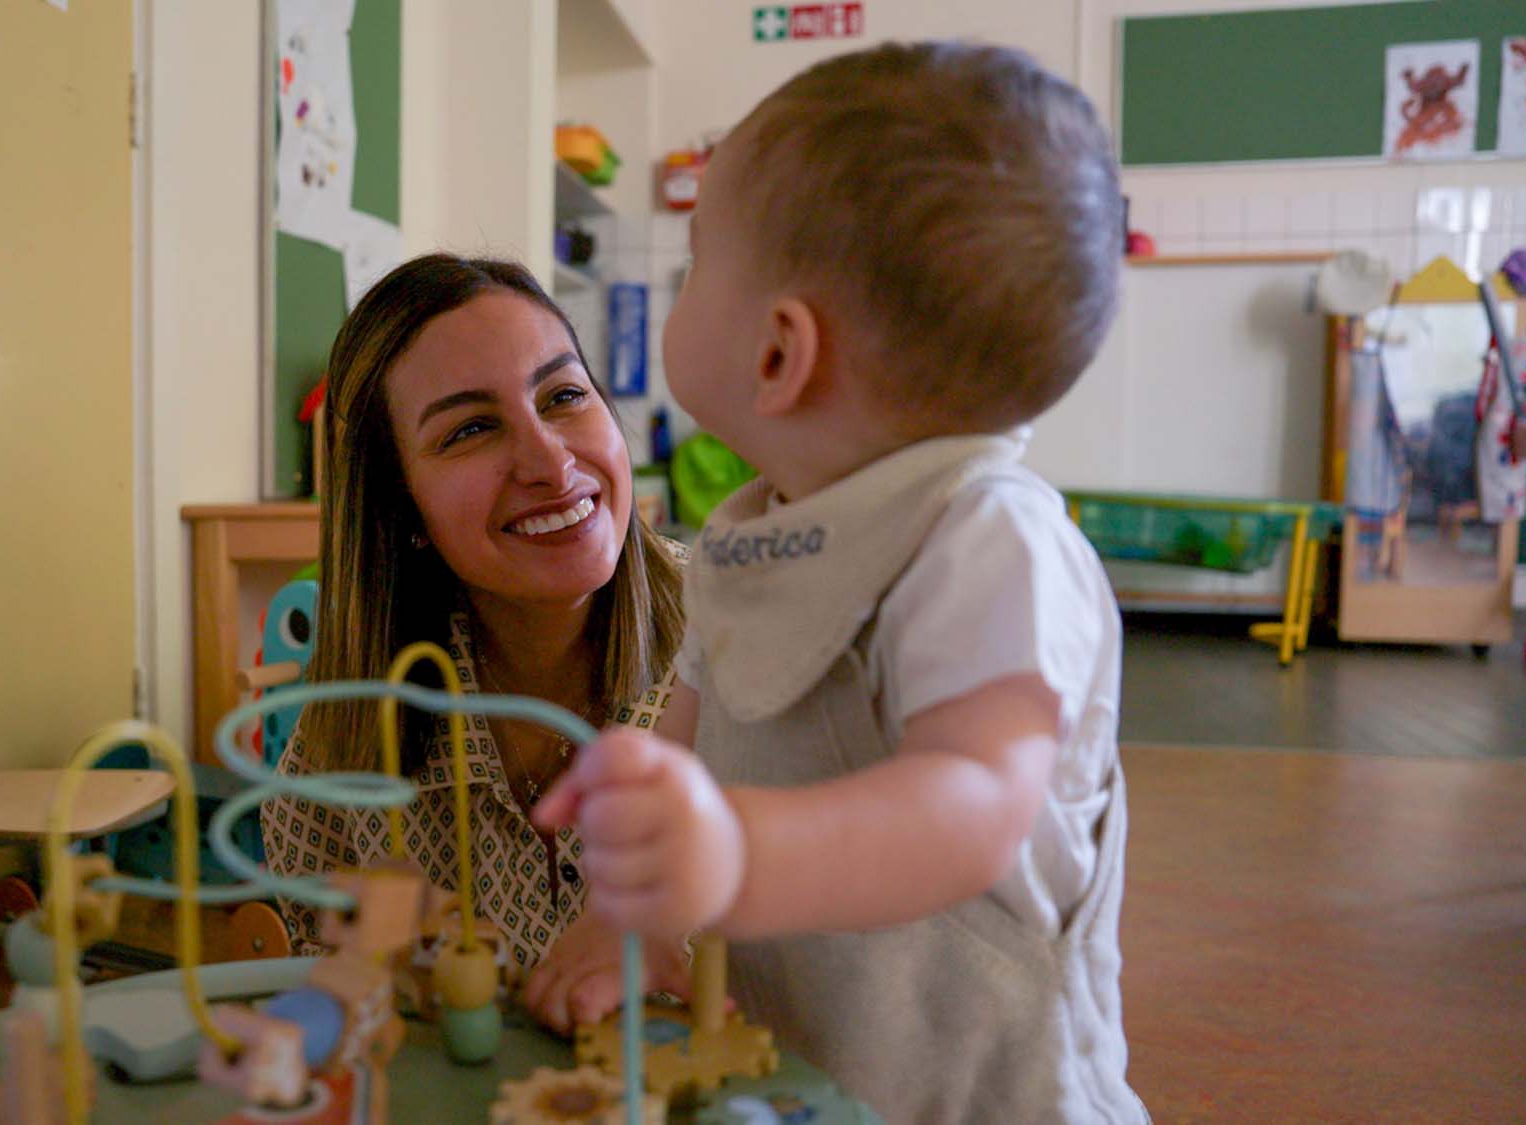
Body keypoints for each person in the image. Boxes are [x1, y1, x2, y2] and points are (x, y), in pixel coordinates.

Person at [535, 43, 1148, 1121]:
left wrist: (730, 854)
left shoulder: (985, 540)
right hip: (808, 1070)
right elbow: (683, 725)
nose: (677, 291)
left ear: (778, 354)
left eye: (693, 267)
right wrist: (622, 916)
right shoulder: (756, 535)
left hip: (980, 1093)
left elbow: (973, 806)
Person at [259, 254, 692, 1029]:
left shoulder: (751, 645)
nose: (550, 461)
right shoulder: (335, 768)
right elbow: (352, 1039)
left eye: (563, 395)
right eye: (471, 428)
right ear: (403, 511)